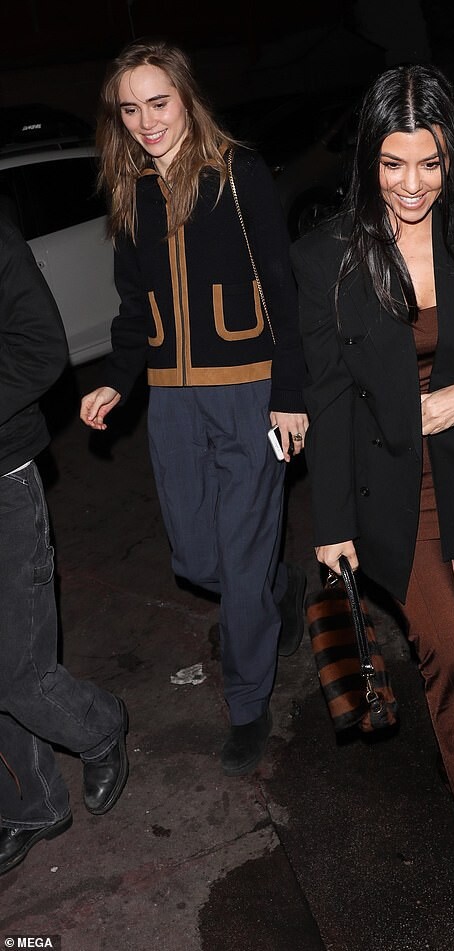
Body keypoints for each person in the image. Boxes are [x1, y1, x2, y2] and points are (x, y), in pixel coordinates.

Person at [291, 64, 454, 933]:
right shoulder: (329, 255)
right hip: (388, 484)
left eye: (431, 163)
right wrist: (332, 523)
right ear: (368, 158)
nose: (411, 185)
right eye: (392, 164)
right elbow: (330, 394)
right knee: (445, 653)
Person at [80, 39, 308, 778]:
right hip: (172, 400)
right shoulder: (130, 190)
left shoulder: (237, 173)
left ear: (186, 97)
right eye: (130, 109)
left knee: (237, 562)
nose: (147, 122)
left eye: (159, 102)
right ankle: (280, 586)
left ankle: (247, 703)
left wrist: (289, 394)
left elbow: (281, 287)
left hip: (248, 391)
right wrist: (117, 379)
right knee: (199, 559)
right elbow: (133, 307)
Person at [0, 214, 129, 876]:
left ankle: (100, 725)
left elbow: (41, 348)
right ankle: (32, 803)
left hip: (3, 478)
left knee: (20, 671)